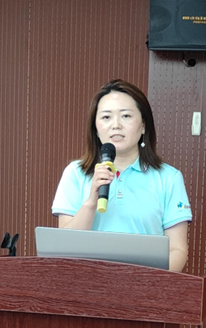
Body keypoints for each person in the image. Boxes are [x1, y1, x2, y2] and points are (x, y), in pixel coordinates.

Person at [51, 79, 192, 272]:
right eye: (106, 117)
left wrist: (148, 285)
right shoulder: (75, 173)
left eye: (126, 116)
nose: (116, 125)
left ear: (143, 125)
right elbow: (64, 246)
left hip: (145, 286)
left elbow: (177, 249)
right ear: (96, 128)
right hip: (85, 284)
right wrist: (91, 201)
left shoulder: (168, 178)